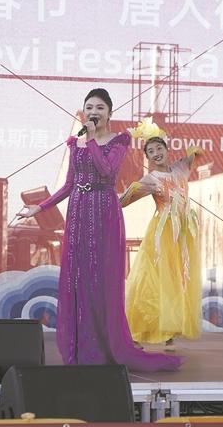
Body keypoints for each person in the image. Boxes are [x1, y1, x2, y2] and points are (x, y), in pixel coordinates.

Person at [18, 89, 181, 371]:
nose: (94, 112)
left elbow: (106, 170)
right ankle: (83, 347)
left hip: (104, 211)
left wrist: (92, 139)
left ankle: (107, 346)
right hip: (78, 212)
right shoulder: (75, 144)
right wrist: (39, 208)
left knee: (102, 278)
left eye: (100, 107)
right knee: (79, 278)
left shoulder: (120, 140)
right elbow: (68, 185)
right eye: (89, 107)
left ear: (109, 113)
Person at [120, 118, 203, 350]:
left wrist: (194, 151)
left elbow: (195, 155)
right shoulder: (151, 179)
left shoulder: (181, 168)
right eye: (150, 151)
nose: (156, 153)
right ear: (147, 158)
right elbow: (124, 201)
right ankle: (135, 332)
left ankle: (170, 333)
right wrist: (129, 191)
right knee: (152, 280)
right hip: (162, 233)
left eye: (159, 148)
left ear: (167, 149)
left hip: (182, 234)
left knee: (177, 280)